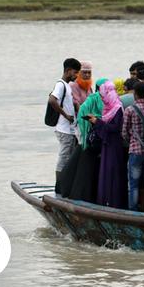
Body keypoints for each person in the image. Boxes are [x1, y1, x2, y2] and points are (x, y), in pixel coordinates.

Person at [91, 79, 127, 209]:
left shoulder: (117, 108)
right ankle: (106, 200)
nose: (102, 98)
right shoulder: (108, 108)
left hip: (114, 144)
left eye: (102, 95)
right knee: (107, 172)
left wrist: (97, 122)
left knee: (112, 171)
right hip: (108, 144)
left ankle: (113, 202)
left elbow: (115, 128)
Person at [48, 58, 80, 192]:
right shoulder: (61, 84)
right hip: (64, 129)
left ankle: (65, 186)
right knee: (63, 158)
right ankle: (58, 188)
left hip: (69, 129)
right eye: (75, 72)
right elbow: (52, 100)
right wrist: (66, 115)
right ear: (67, 71)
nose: (76, 75)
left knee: (68, 158)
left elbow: (67, 102)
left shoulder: (67, 85)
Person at [122, 81, 144, 211]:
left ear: (135, 93)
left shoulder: (130, 110)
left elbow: (124, 132)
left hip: (135, 150)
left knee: (133, 184)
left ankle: (133, 211)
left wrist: (131, 141)